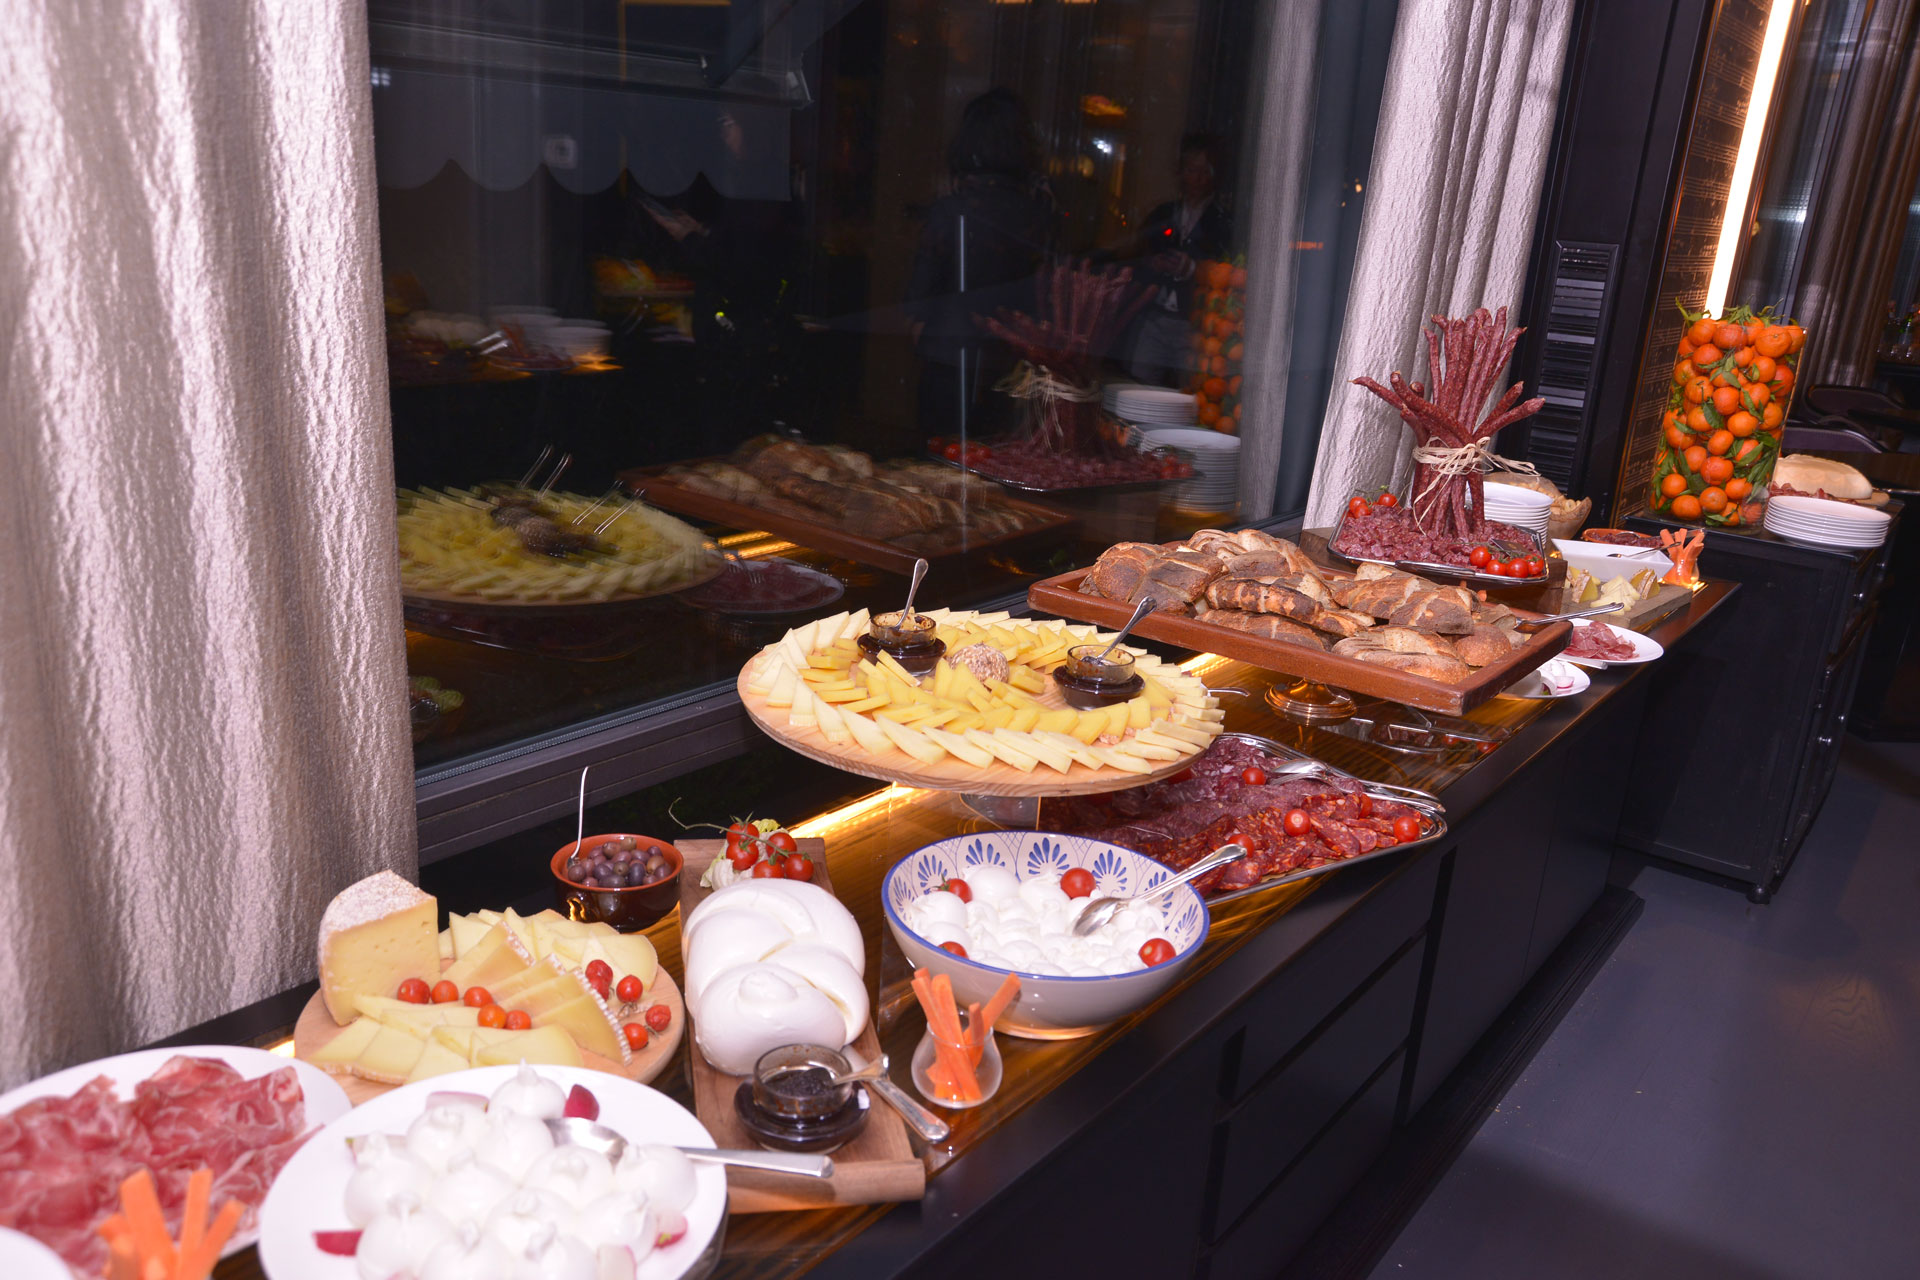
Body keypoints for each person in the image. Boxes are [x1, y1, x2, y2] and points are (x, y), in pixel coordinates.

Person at [905, 90, 1060, 438]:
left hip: (948, 355)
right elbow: (1046, 293)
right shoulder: (1038, 213)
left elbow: (918, 299)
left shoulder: (951, 210)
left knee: (937, 456)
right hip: (1009, 360)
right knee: (993, 456)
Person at [1126, 134, 1232, 387]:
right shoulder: (1161, 214)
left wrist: (1193, 269)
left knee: (1189, 388)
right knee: (1140, 382)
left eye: (1204, 171)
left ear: (1214, 176)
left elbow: (1228, 272)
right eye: (1190, 170)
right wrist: (1153, 264)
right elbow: (1136, 257)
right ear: (1180, 172)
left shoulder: (1222, 222)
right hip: (1155, 318)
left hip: (1195, 322)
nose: (1197, 178)